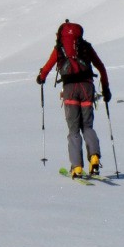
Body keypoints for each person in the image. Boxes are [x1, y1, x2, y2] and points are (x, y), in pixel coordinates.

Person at [36, 20, 110, 178]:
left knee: (74, 130)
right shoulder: (86, 47)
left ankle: (76, 167)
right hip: (87, 88)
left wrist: (41, 78)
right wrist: (105, 88)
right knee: (88, 126)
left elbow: (47, 68)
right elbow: (101, 67)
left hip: (70, 89)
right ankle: (94, 157)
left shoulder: (59, 48)